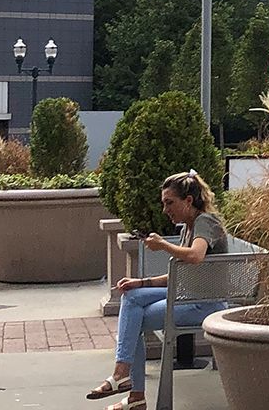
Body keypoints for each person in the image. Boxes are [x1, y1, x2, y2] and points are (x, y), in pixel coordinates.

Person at [87, 171, 230, 410]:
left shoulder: (206, 221)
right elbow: (179, 273)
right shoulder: (189, 226)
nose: (165, 209)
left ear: (188, 201)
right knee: (131, 297)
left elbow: (195, 256)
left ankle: (131, 389)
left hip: (204, 304)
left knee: (136, 319)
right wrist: (140, 282)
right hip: (187, 294)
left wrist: (163, 244)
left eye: (169, 203)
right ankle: (126, 381)